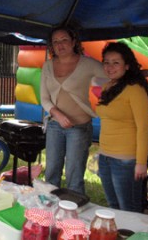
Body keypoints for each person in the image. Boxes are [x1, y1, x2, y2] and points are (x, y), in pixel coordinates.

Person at [40, 26, 107, 194]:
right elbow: (44, 99)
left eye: (64, 40)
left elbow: (113, 75)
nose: (60, 45)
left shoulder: (88, 64)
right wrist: (58, 115)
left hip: (79, 127)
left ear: (74, 42)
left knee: (74, 175)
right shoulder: (47, 66)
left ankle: (73, 215)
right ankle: (48, 213)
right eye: (55, 42)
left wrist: (139, 74)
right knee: (51, 172)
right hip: (55, 125)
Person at [96, 42, 148, 212]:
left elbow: (143, 128)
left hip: (126, 160)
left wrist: (141, 162)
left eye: (116, 62)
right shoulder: (108, 86)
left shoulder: (135, 90)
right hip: (105, 157)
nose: (110, 67)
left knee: (129, 209)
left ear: (127, 65)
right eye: (106, 62)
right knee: (113, 207)